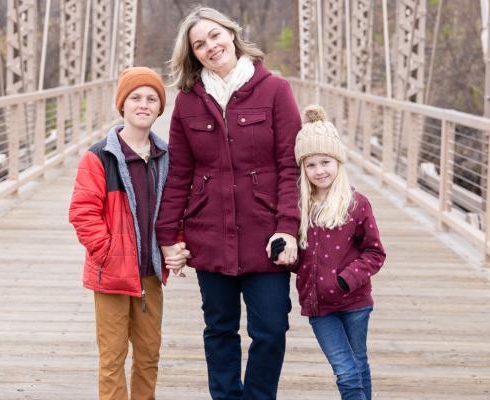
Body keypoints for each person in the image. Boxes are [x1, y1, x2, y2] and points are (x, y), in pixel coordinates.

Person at [156, 6, 302, 400]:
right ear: (193, 54)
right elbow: (179, 173)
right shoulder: (188, 102)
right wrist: (168, 235)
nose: (210, 47)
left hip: (265, 233)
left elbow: (290, 166)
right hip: (210, 234)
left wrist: (288, 227)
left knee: (271, 329)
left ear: (232, 34)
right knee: (219, 328)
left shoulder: (275, 90)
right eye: (199, 44)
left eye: (214, 36)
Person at [68, 67, 170, 400]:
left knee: (148, 355)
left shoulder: (166, 157)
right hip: (111, 274)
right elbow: (82, 213)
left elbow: (175, 209)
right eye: (135, 98)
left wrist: (175, 245)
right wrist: (109, 253)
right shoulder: (99, 157)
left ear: (159, 108)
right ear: (122, 105)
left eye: (151, 98)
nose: (144, 104)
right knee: (112, 357)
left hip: (150, 274)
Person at [292, 105, 386, 400]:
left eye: (325, 162)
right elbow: (300, 259)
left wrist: (347, 279)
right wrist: (285, 254)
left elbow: (375, 253)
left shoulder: (357, 204)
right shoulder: (298, 207)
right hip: (318, 305)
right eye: (311, 165)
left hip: (354, 300)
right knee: (345, 370)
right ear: (303, 168)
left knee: (358, 364)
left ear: (338, 162)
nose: (319, 171)